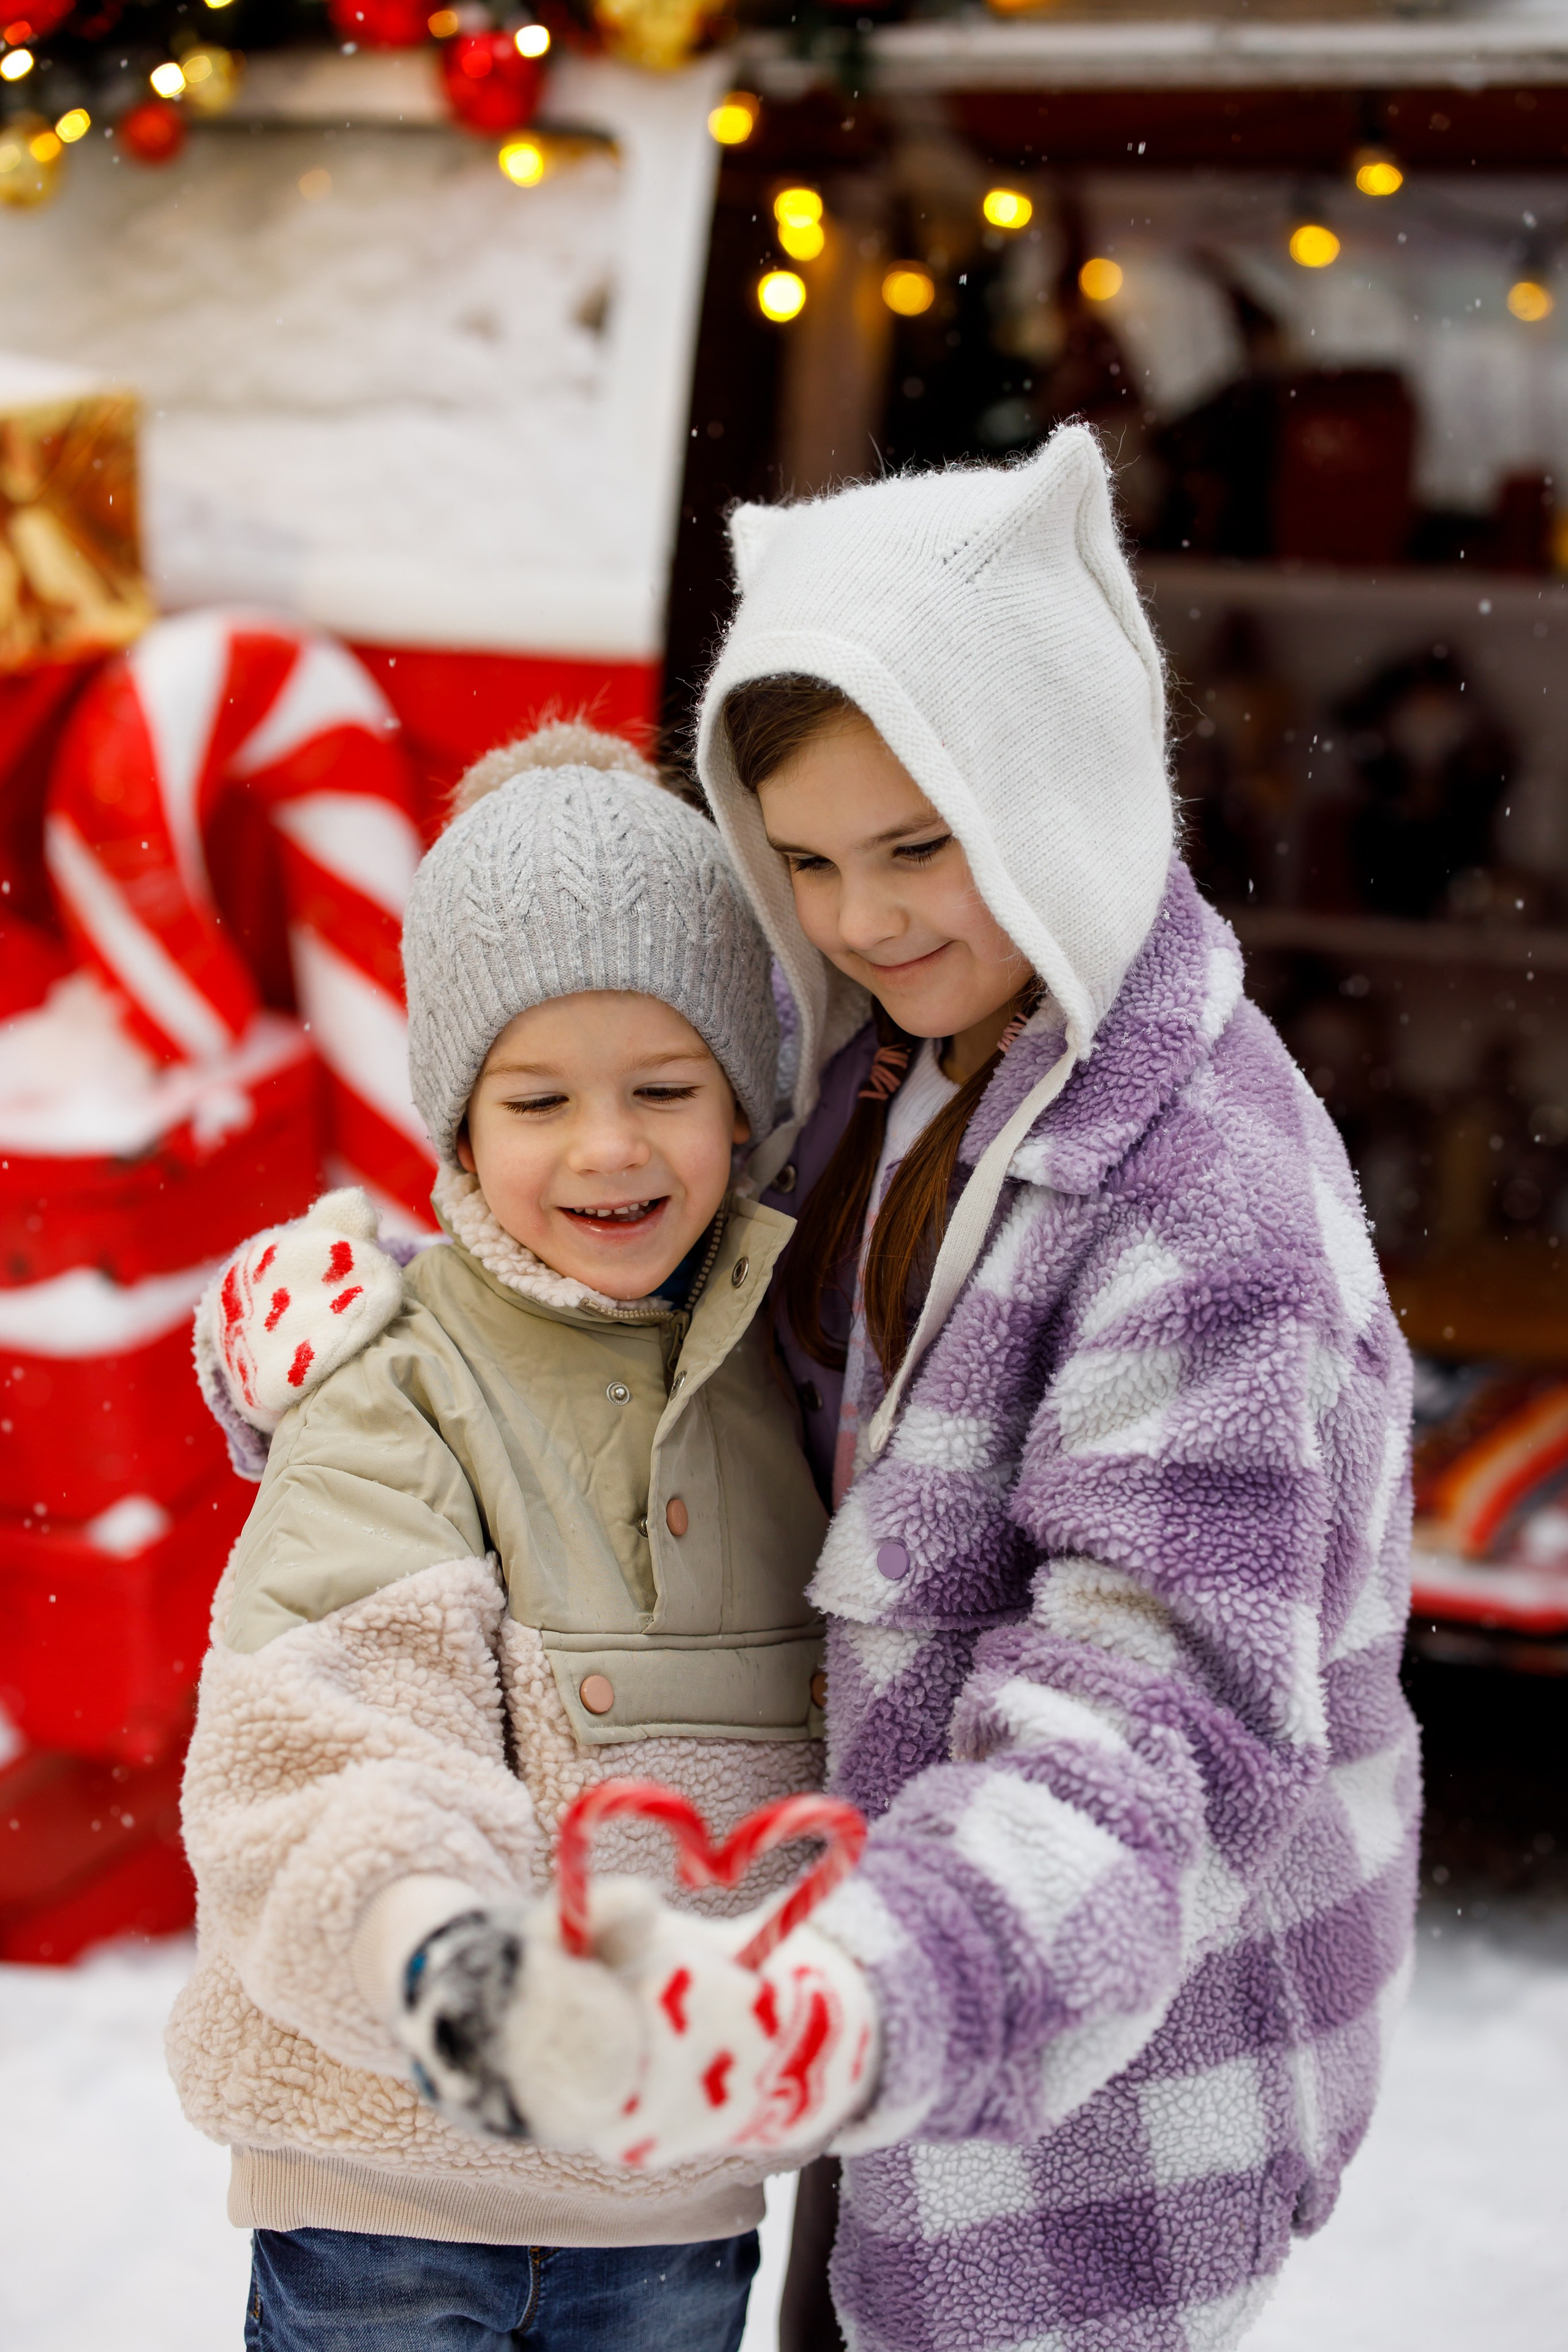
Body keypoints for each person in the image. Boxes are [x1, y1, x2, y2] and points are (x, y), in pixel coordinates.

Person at [201, 428, 1419, 2352]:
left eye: (921, 845)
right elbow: (602, 1315)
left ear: (1057, 787)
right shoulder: (883, 1068)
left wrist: (840, 2005)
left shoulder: (1215, 1220)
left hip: (1093, 2099)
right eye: (809, 861)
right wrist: (359, 1322)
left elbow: (1152, 1725)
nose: (862, 915)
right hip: (828, 2062)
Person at [168, 723, 873, 2352]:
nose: (608, 1147)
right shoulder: (396, 1388)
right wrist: (446, 1960)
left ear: (747, 1100)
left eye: (666, 1089)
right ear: (458, 1127)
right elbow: (337, 1729)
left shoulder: (800, 1382)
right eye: (539, 1097)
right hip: (391, 2201)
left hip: (676, 2209)